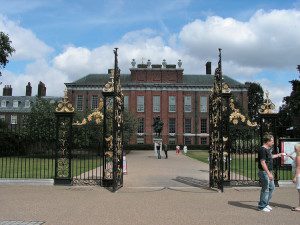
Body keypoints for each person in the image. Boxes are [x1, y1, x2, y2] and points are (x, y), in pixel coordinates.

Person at [257, 134, 286, 212]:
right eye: (272, 141)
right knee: (265, 189)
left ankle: (266, 204)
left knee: (271, 187)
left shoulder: (267, 149)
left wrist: (279, 155)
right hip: (264, 172)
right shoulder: (262, 149)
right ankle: (261, 206)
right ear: (267, 141)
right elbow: (263, 162)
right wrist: (268, 173)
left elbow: (270, 157)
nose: (273, 142)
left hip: (268, 172)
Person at [287, 143, 300, 211]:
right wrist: (290, 156)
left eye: (295, 148)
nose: (294, 149)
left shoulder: (298, 156)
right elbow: (296, 160)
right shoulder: (298, 156)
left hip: (299, 176)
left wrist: (295, 177)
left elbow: (298, 167)